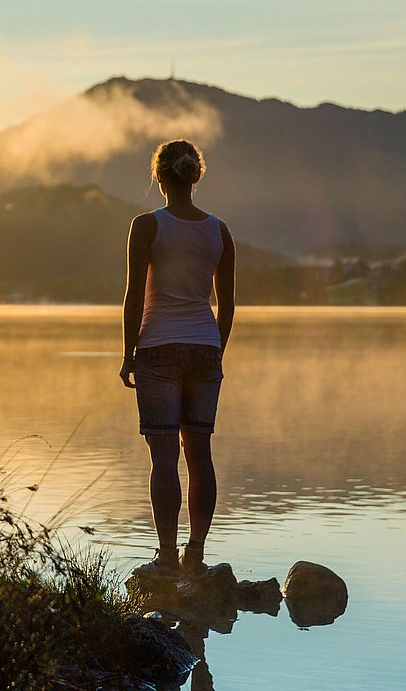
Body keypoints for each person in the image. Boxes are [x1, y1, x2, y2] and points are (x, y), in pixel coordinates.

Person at [119, 139, 235, 577]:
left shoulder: (146, 226)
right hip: (205, 347)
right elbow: (227, 303)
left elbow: (134, 296)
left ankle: (167, 557)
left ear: (159, 176)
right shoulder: (219, 230)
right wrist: (215, 350)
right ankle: (197, 554)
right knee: (199, 453)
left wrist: (128, 352)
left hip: (159, 348)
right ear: (196, 177)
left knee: (164, 456)